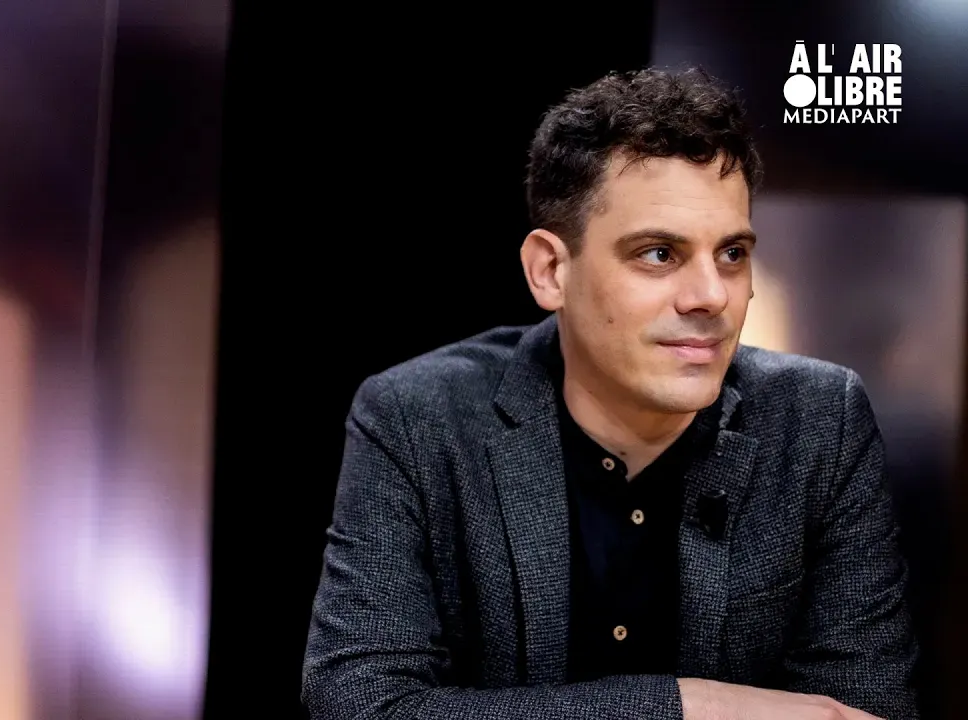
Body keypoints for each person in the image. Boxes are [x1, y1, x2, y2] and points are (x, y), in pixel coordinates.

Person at [301, 67, 919, 720]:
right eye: (659, 254)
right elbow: (359, 704)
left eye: (732, 254)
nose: (712, 296)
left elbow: (861, 708)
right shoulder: (416, 418)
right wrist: (689, 707)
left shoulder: (821, 420)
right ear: (550, 270)